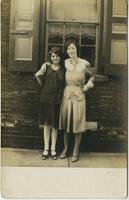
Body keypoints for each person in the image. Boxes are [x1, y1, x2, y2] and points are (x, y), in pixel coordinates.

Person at [59, 40, 94, 162]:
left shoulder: (84, 63)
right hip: (67, 95)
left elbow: (92, 77)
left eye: (73, 48)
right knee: (66, 123)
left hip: (79, 95)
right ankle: (65, 148)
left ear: (77, 49)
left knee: (77, 123)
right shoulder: (64, 63)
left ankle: (75, 150)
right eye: (68, 49)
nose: (71, 51)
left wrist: (87, 86)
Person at [35, 47, 65, 160]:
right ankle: (45, 149)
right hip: (46, 99)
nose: (55, 58)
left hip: (58, 100)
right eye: (53, 56)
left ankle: (53, 149)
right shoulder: (46, 66)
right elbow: (37, 75)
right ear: (50, 57)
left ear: (60, 57)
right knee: (47, 124)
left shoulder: (63, 68)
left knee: (55, 125)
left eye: (57, 56)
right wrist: (43, 86)